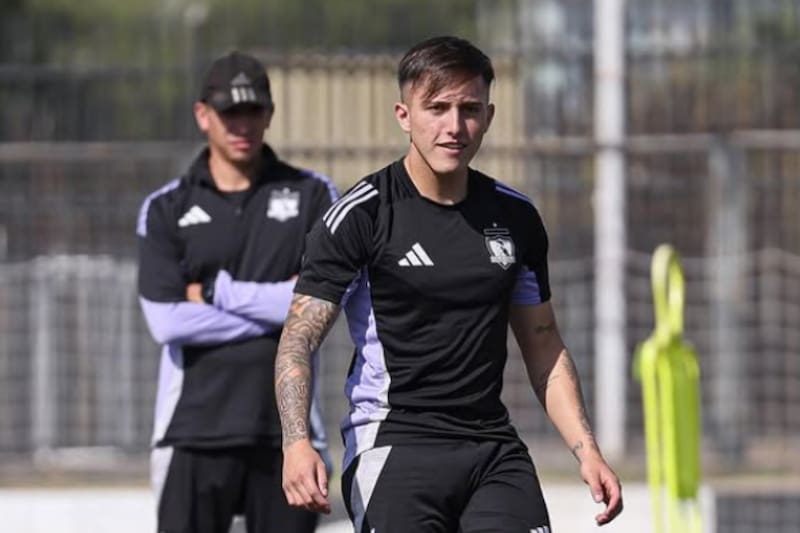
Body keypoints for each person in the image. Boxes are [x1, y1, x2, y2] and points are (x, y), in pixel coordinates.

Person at [274, 35, 623, 532]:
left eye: (469, 109)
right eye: (436, 108)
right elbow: (297, 339)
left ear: (490, 115)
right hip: (394, 443)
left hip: (491, 447)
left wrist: (587, 451)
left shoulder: (516, 217)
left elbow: (544, 344)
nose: (454, 126)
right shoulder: (362, 215)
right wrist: (296, 442)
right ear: (403, 115)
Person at [136, 50, 337, 533]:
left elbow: (324, 306)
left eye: (254, 110)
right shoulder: (166, 207)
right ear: (202, 115)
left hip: (288, 436)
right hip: (191, 433)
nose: (242, 124)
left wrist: (213, 292)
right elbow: (167, 321)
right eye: (230, 112)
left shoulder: (314, 195)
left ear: (270, 114)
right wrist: (281, 304)